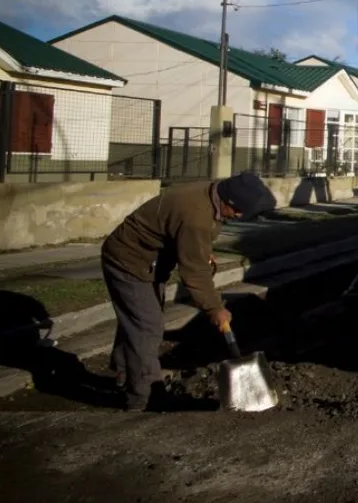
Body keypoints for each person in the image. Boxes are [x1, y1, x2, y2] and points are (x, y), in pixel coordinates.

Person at [100, 171, 277, 411]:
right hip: (129, 261)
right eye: (237, 211)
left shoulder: (211, 194)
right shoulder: (196, 217)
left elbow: (187, 237)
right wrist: (214, 307)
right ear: (227, 201)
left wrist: (200, 250)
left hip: (148, 260)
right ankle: (143, 398)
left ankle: (125, 373)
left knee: (138, 321)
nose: (238, 216)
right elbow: (194, 273)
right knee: (147, 325)